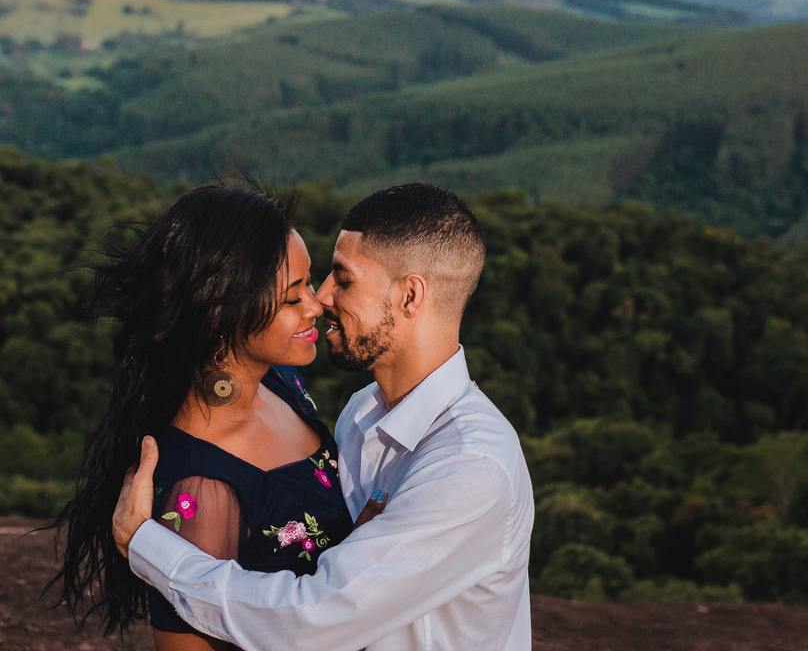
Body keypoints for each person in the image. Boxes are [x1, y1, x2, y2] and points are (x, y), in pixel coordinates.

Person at [114, 182, 535, 651]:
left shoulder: (471, 466)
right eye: (305, 288)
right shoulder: (360, 414)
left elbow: (315, 618)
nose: (322, 299)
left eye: (343, 279)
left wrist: (148, 547)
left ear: (410, 296)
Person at [51, 184, 354, 650]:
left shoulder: (279, 383)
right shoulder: (203, 490)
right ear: (225, 315)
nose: (316, 305)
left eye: (308, 283)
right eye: (292, 298)